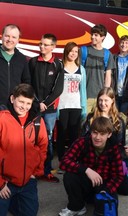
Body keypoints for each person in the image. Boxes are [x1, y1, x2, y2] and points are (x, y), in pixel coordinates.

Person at [59, 117, 124, 216]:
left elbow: (118, 176)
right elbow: (64, 162)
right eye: (95, 132)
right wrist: (86, 170)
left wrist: (106, 190)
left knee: (109, 207)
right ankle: (77, 207)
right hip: (86, 181)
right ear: (91, 132)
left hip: (104, 184)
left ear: (109, 134)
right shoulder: (82, 142)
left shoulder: (115, 148)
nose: (97, 137)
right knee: (69, 176)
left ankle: (98, 200)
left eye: (102, 134)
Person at [0, 84, 48, 216]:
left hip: (28, 181)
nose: (24, 106)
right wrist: (0, 183)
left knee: (30, 213)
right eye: (20, 101)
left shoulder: (37, 121)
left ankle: (14, 203)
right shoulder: (2, 119)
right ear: (12, 99)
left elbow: (43, 146)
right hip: (5, 182)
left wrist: (37, 171)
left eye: (28, 103)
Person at [82, 87, 128, 195]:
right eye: (100, 100)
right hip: (93, 158)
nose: (102, 103)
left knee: (126, 190)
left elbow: (120, 144)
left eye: (106, 100)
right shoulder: (91, 118)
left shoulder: (118, 120)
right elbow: (83, 140)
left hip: (111, 159)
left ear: (112, 101)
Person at [29, 33, 64, 183]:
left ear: (53, 47)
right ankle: (31, 171)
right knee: (31, 140)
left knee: (48, 141)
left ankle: (47, 171)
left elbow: (58, 89)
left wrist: (46, 103)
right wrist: (37, 103)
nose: (42, 47)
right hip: (35, 108)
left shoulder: (58, 64)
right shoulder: (32, 62)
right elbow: (28, 84)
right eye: (40, 44)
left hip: (49, 111)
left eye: (45, 44)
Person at [56, 42, 87, 165]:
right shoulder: (60, 66)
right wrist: (56, 107)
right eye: (71, 51)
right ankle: (61, 160)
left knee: (74, 135)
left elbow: (83, 90)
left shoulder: (81, 69)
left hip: (76, 106)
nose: (73, 53)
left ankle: (72, 160)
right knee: (62, 134)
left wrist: (83, 108)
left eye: (75, 51)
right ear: (66, 52)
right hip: (62, 106)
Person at [83, 24, 116, 113]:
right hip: (84, 97)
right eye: (92, 34)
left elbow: (108, 76)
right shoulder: (83, 51)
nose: (92, 37)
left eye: (96, 35)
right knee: (84, 123)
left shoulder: (107, 54)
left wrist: (105, 96)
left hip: (100, 99)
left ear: (103, 37)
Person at [0, 24, 30, 105]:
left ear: (18, 40)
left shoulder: (22, 59)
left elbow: (26, 82)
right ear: (2, 36)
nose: (10, 39)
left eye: (14, 37)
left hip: (13, 106)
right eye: (7, 36)